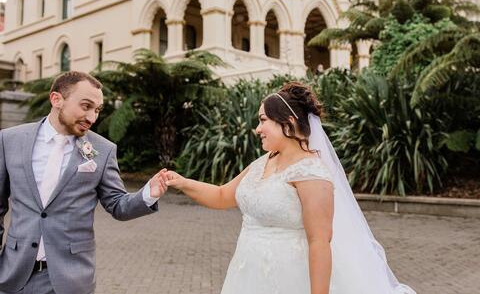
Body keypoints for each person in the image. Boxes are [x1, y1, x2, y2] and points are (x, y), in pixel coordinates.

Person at [165, 82, 417, 294]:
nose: (257, 129)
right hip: (247, 274)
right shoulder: (261, 163)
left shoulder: (311, 172)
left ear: (287, 121)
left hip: (289, 279)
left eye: (263, 120)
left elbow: (319, 241)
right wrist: (181, 182)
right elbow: (221, 195)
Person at [0, 71, 168, 294]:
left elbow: (117, 205)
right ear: (56, 99)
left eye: (97, 110)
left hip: (70, 280)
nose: (92, 117)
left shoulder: (104, 150)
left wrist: (149, 194)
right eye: (86, 106)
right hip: (13, 275)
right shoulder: (9, 139)